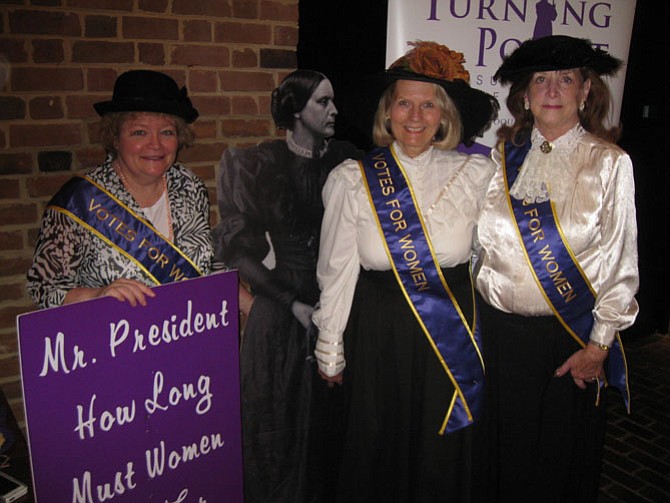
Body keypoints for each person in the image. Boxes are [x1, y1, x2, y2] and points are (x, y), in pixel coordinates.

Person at [312, 41, 499, 502]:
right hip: (378, 332)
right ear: (387, 111)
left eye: (429, 103)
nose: (415, 116)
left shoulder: (477, 175)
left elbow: (495, 257)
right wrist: (330, 348)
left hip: (450, 330)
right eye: (404, 102)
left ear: (445, 114)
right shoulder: (352, 179)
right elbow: (336, 273)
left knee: (442, 448)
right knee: (377, 445)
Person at [474, 35, 639, 503]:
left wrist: (598, 345)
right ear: (524, 94)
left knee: (553, 464)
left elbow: (622, 264)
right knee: (499, 457)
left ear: (586, 91)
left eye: (565, 79)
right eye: (540, 79)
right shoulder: (501, 158)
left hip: (567, 340)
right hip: (499, 335)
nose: (552, 89)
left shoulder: (610, 163)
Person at [213, 69, 361, 503]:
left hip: (339, 304)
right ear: (296, 110)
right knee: (275, 424)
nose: (334, 110)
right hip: (279, 306)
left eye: (333, 101)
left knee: (332, 427)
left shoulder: (349, 161)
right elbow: (238, 252)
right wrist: (290, 302)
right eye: (322, 102)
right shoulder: (258, 164)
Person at [27, 70, 213, 308]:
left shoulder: (189, 186)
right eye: (139, 132)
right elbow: (43, 287)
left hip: (185, 331)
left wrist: (255, 309)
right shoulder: (79, 200)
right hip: (116, 339)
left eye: (167, 132)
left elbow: (204, 267)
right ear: (115, 138)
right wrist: (96, 296)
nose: (155, 144)